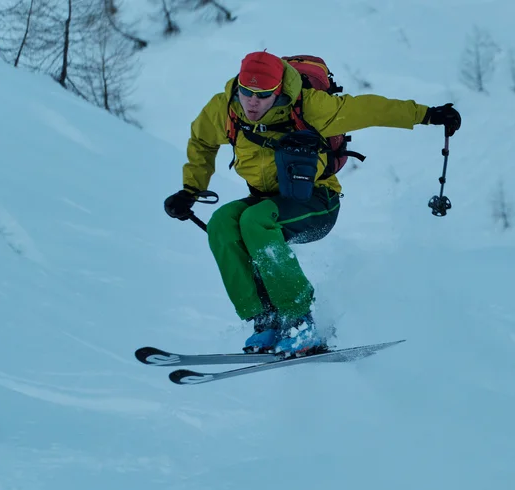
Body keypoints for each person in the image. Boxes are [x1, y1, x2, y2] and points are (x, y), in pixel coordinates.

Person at [164, 50, 461, 356]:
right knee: (222, 223)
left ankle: (299, 321)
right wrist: (190, 190)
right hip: (264, 201)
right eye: (246, 92)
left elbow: (371, 110)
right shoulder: (225, 109)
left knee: (255, 221)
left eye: (262, 95)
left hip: (318, 201)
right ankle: (264, 319)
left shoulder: (310, 107)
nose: (251, 102)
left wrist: (428, 115)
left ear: (278, 92)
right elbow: (202, 140)